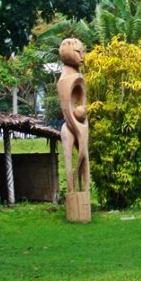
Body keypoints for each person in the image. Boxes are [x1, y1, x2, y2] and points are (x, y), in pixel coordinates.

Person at [57, 38, 89, 193]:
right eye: (78, 52)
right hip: (71, 127)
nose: (82, 56)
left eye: (83, 52)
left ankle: (85, 191)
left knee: (85, 157)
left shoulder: (78, 76)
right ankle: (72, 192)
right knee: (71, 160)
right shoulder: (66, 79)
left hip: (80, 124)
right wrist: (78, 126)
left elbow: (81, 103)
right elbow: (67, 110)